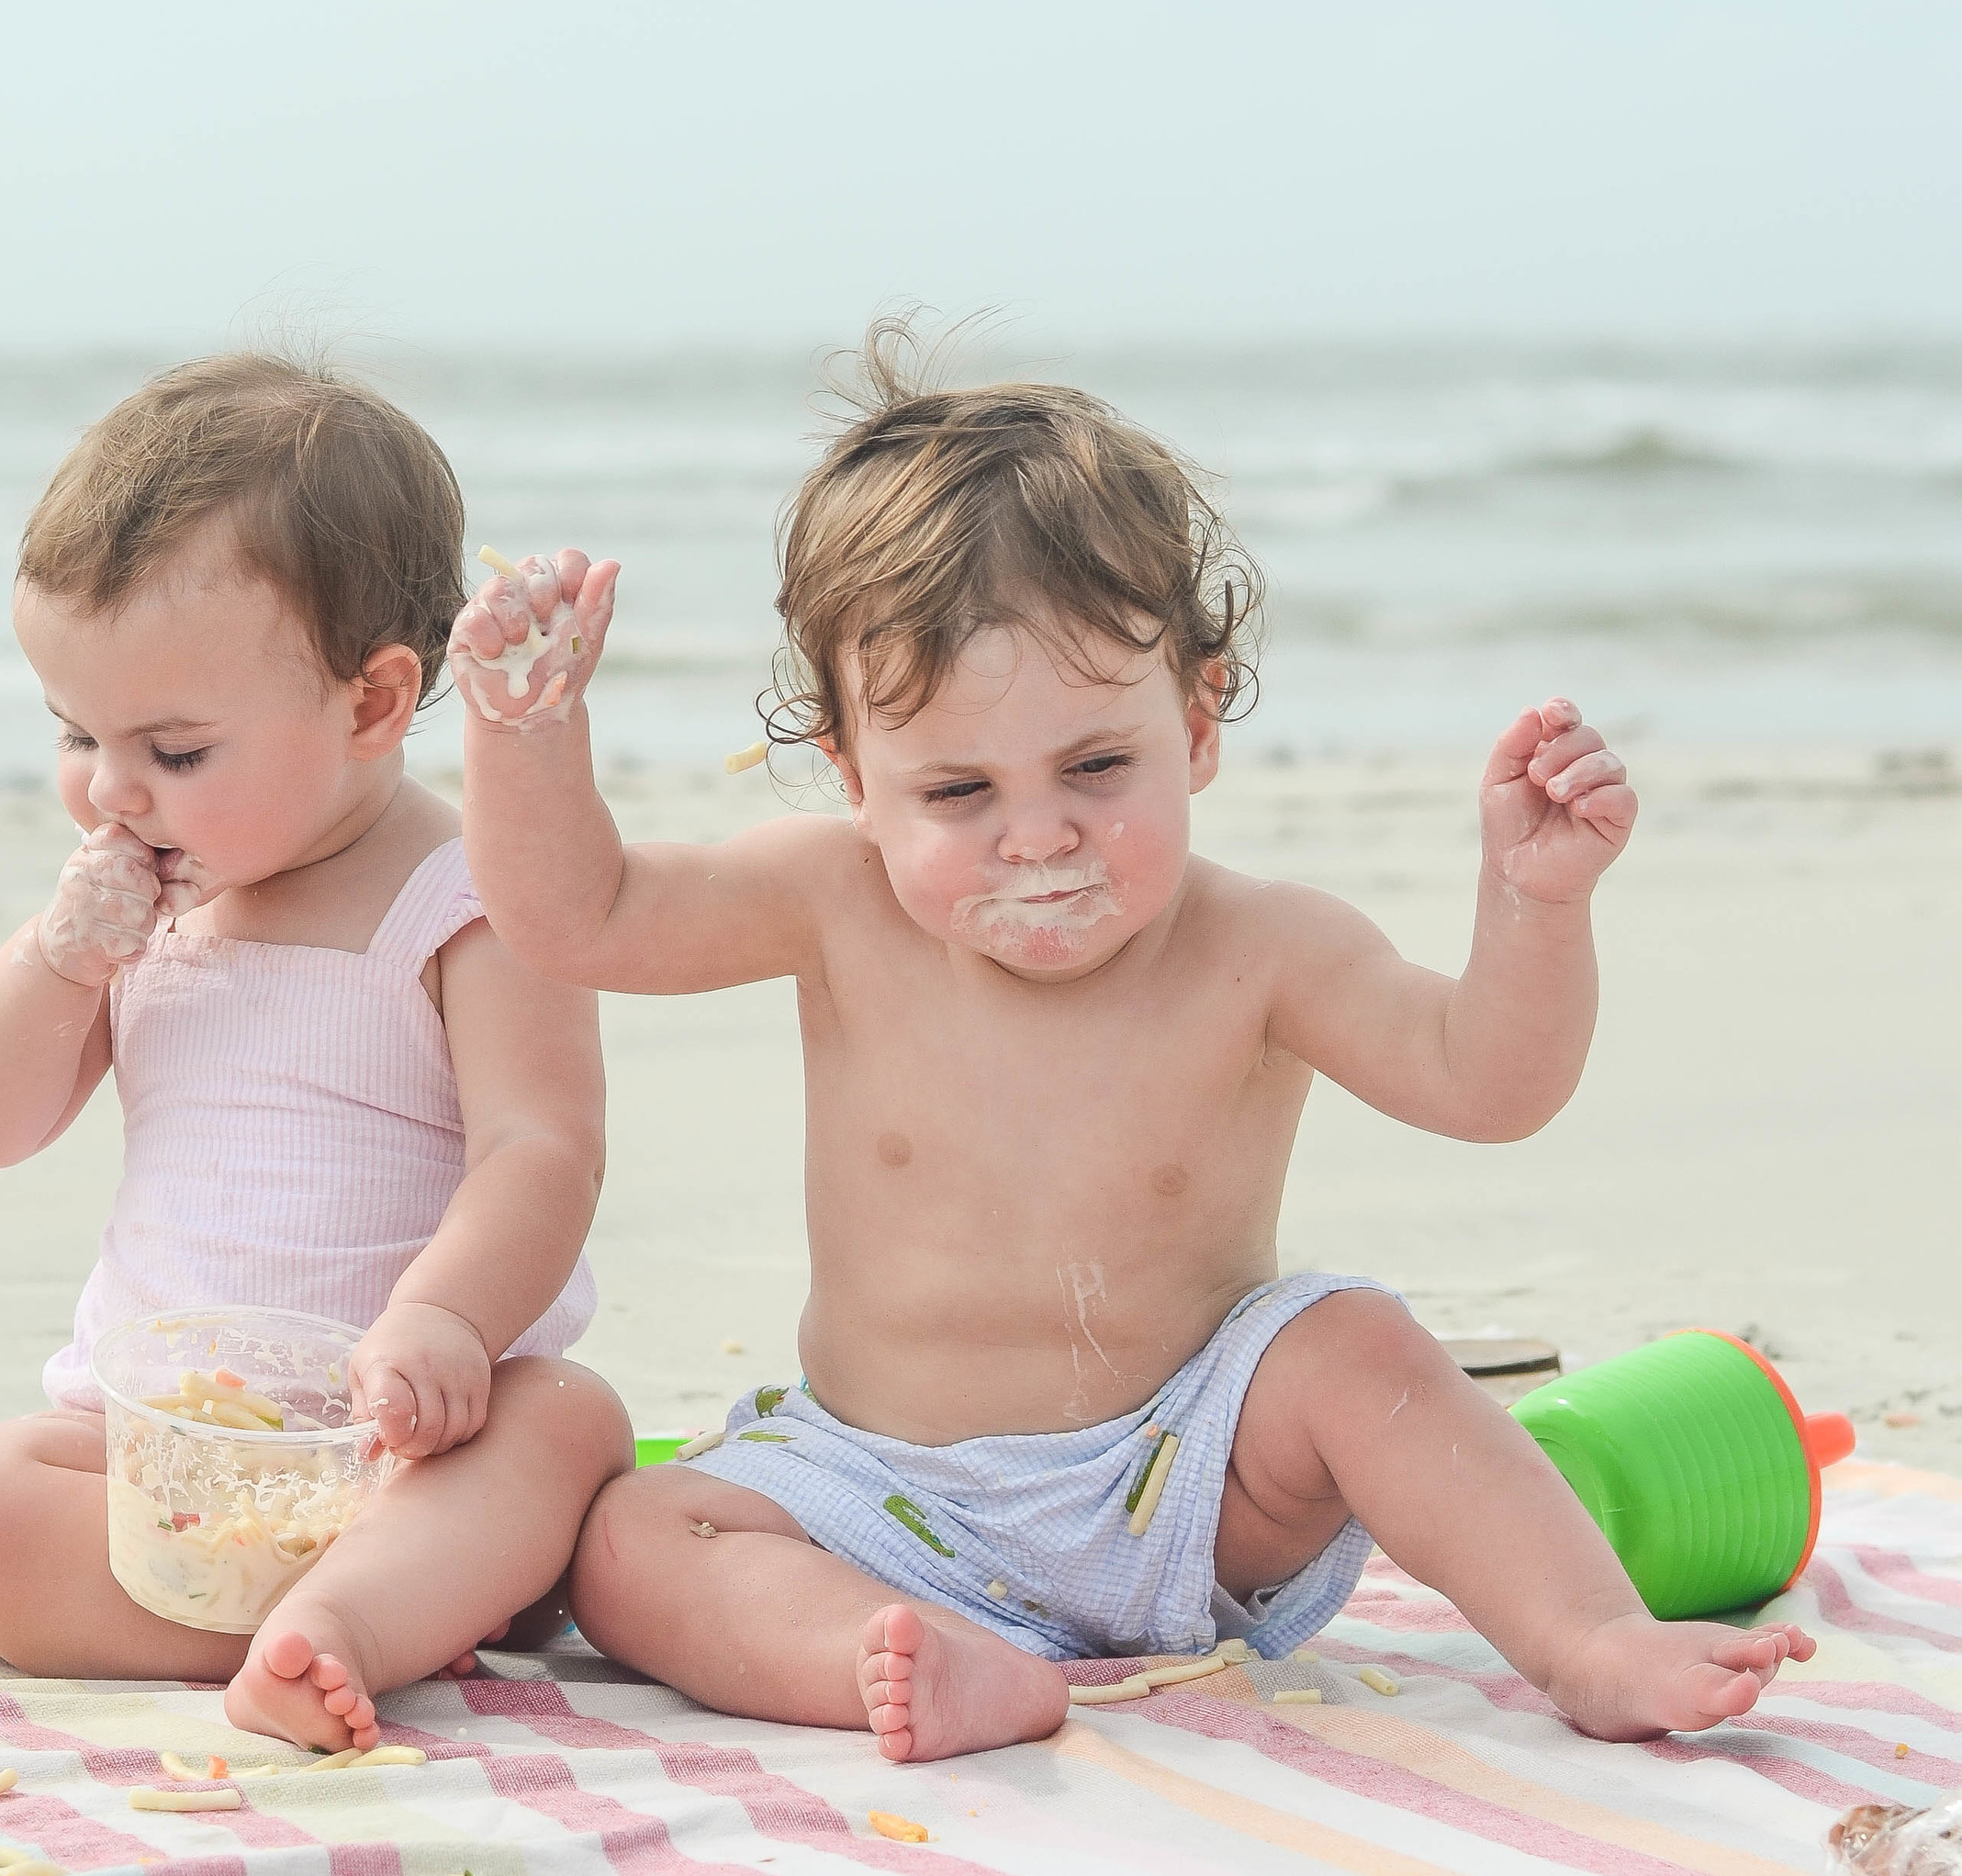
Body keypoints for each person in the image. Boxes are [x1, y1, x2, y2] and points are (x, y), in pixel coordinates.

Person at [449, 329, 1811, 1766]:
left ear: (1199, 719)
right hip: (879, 1491)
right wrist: (525, 734)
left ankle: (1586, 1636)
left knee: (1354, 1344)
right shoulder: (829, 901)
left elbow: (1489, 1082)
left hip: (1184, 1481)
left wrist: (1532, 908)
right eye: (959, 789)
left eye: (1096, 767)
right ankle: (896, 1656)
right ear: (855, 779)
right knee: (636, 1539)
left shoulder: (1266, 946)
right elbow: (578, 915)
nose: (1038, 834)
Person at [0, 354, 631, 1749]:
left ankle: (360, 1605)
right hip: (171, 1452)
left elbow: (543, 1145)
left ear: (368, 704)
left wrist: (449, 1321)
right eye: (76, 732)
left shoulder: (473, 891)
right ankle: (355, 1616)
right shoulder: (137, 903)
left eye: (173, 747)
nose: (112, 788)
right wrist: (64, 957)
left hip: (416, 1440)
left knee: (570, 1424)